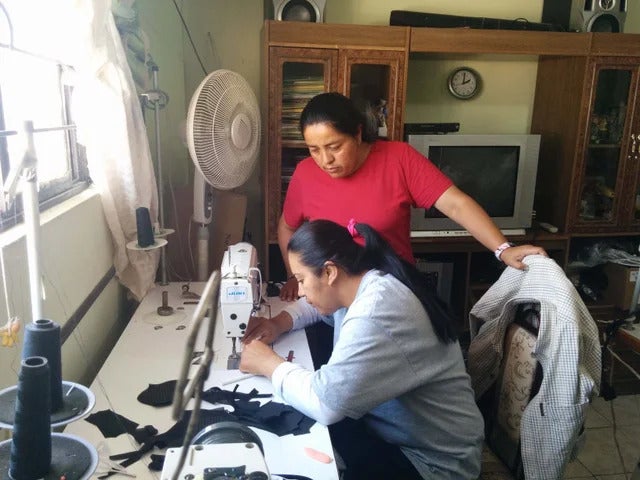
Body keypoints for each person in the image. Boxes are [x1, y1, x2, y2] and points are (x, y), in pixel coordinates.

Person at [241, 219, 484, 480]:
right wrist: (278, 323)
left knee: (294, 451)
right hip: (394, 434)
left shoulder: (376, 311)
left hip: (433, 464)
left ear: (329, 272)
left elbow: (325, 404)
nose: (299, 291)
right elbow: (314, 305)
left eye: (301, 280)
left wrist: (269, 364)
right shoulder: (365, 281)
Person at [277, 91, 546, 301]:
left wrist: (503, 249)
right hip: (331, 298)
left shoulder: (398, 159)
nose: (325, 160)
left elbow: (455, 204)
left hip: (392, 291)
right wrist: (295, 277)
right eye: (314, 149)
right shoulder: (305, 173)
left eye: (334, 147)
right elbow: (287, 227)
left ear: (357, 134)